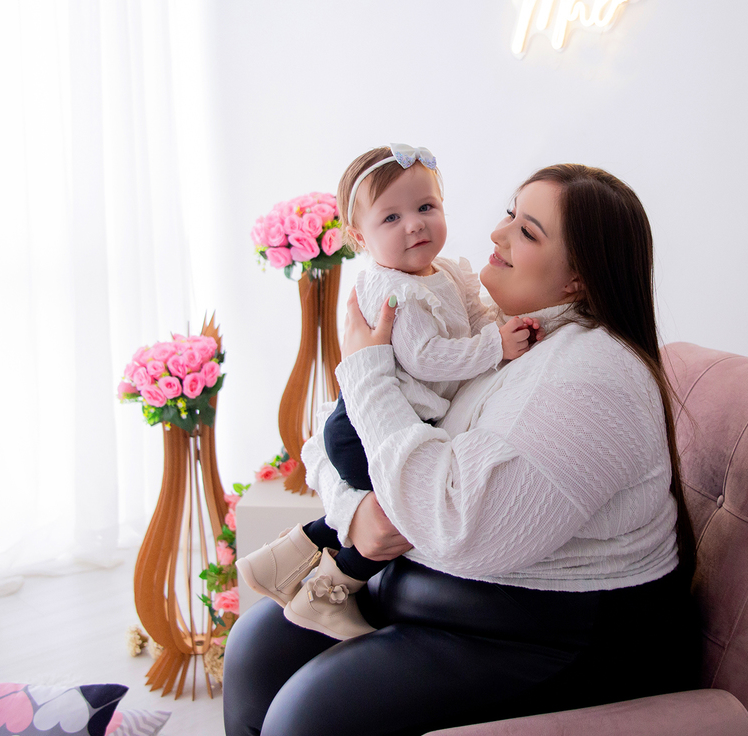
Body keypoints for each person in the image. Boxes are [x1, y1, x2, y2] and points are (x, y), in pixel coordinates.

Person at [224, 163, 701, 736]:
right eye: (510, 214)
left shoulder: (593, 377)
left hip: (540, 632)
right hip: (430, 588)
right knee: (255, 648)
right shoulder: (496, 331)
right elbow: (331, 433)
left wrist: (367, 371)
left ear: (578, 278)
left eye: (527, 232)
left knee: (305, 718)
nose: (497, 234)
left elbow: (454, 524)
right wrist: (356, 512)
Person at [236, 144, 539, 640]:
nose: (414, 225)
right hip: (361, 428)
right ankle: (328, 594)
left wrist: (498, 327)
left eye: (426, 207)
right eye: (391, 217)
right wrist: (495, 347)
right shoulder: (395, 291)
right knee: (401, 512)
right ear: (359, 237)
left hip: (386, 420)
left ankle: (279, 559)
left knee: (381, 507)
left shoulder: (443, 272)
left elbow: (474, 316)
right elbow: (426, 357)